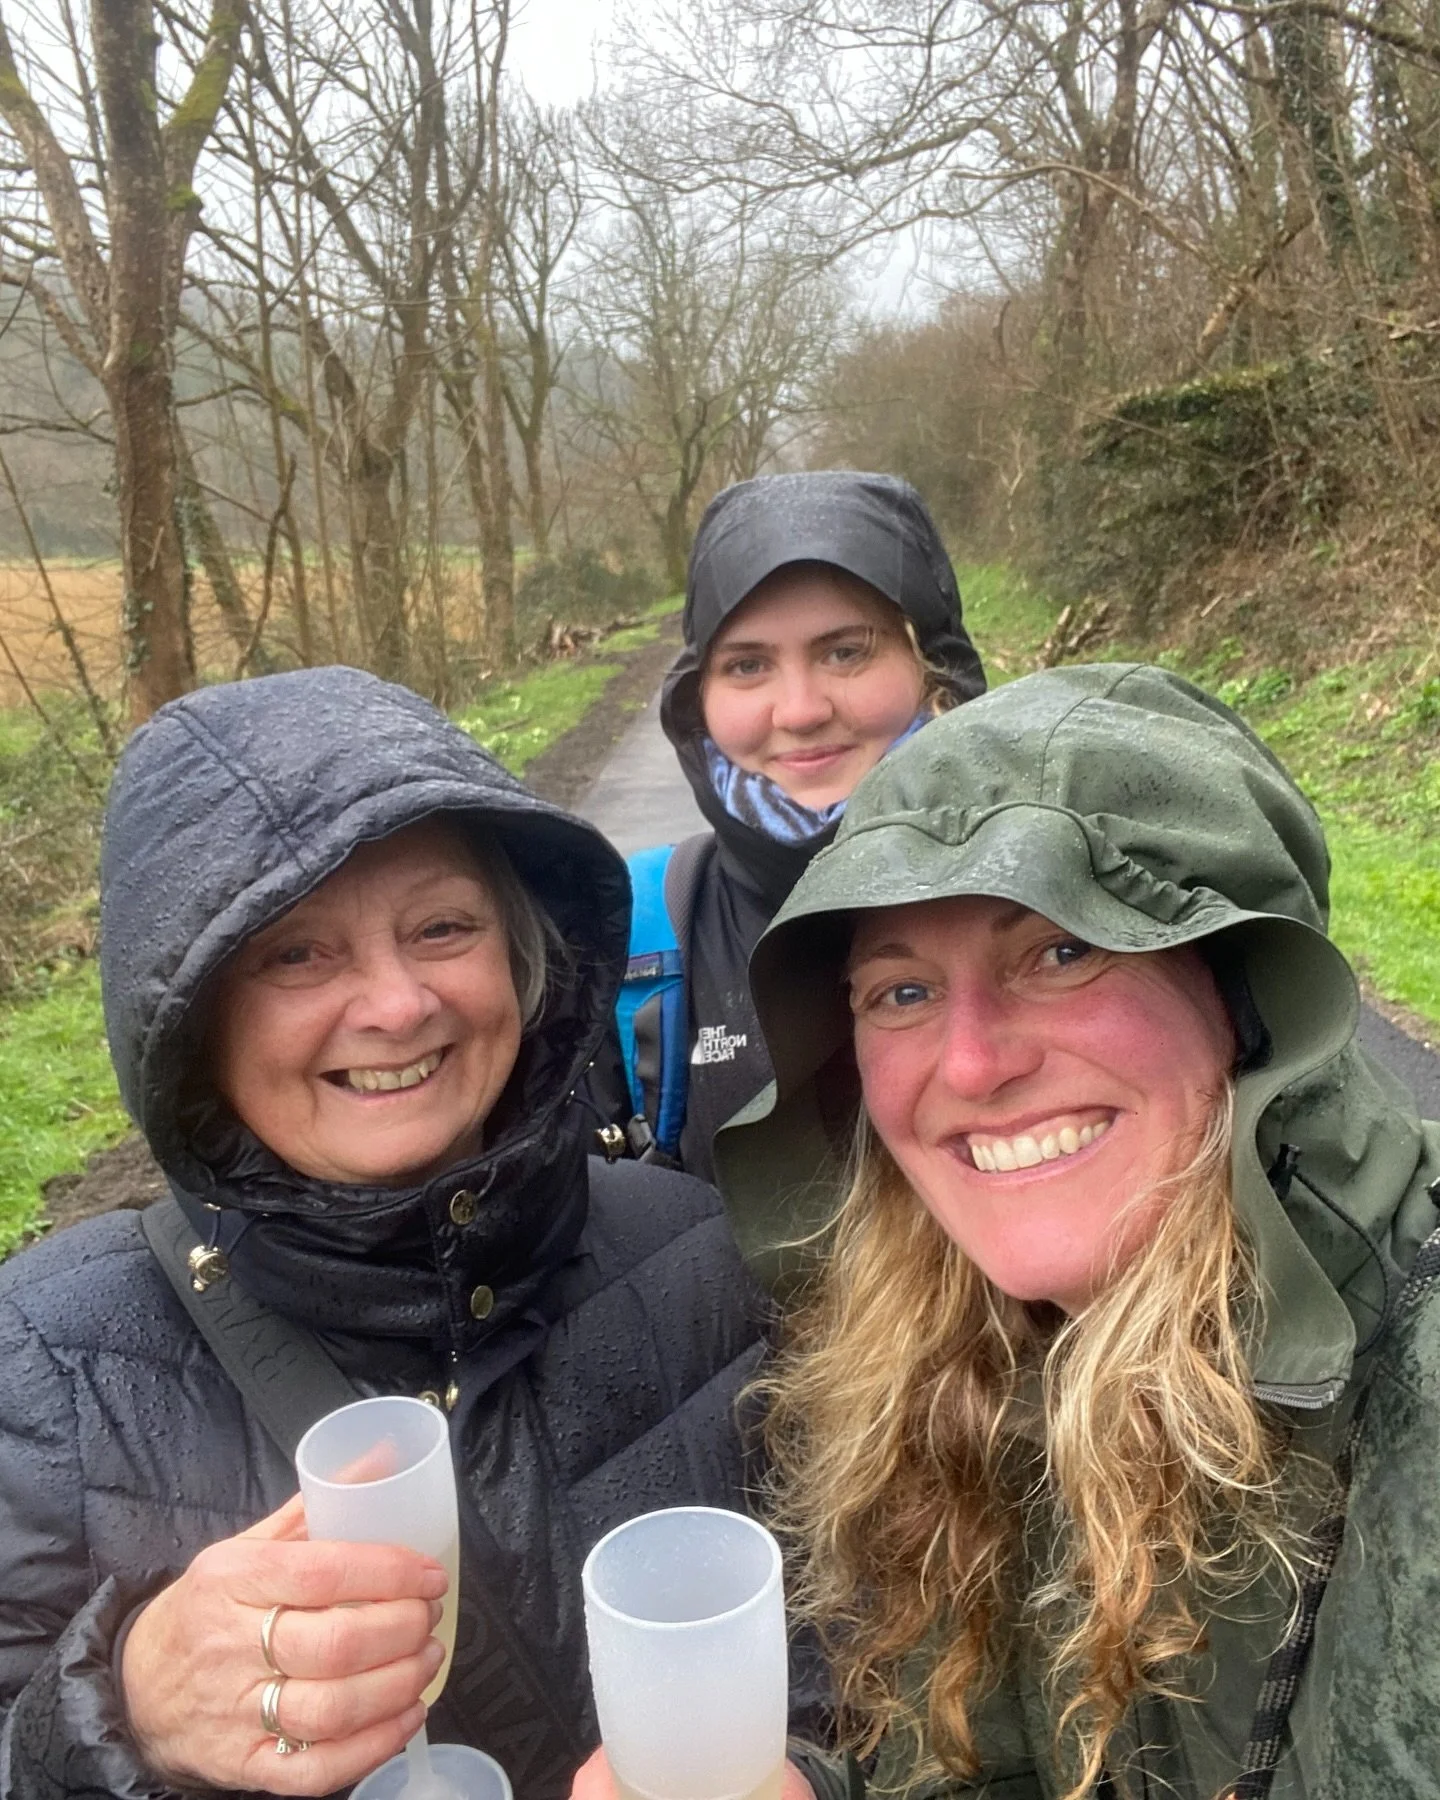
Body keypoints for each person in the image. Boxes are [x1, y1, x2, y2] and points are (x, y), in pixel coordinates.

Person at [610, 663, 1440, 1800]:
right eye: (899, 992)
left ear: (1244, 995)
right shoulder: (966, 1361)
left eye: (1060, 953)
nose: (970, 1064)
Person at [0, 666, 764, 1800]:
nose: (399, 1004)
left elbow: (872, 1669)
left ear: (524, 957)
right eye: (296, 954)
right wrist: (115, 1709)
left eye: (443, 925)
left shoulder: (704, 1252)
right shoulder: (44, 1367)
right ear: (187, 1015)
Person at [598, 469, 986, 1183]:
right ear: (699, 698)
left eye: (846, 651)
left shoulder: (1055, 893)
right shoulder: (634, 937)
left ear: (933, 665)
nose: (800, 709)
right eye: (748, 665)